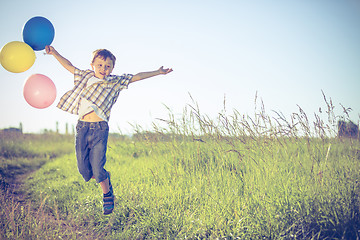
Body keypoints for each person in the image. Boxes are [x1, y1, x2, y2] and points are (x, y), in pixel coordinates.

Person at [45, 46, 173, 214]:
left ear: (112, 68)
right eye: (99, 65)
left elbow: (137, 77)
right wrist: (54, 53)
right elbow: (69, 66)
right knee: (84, 171)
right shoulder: (85, 77)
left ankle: (107, 194)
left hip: (100, 129)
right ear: (92, 65)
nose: (103, 70)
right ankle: (103, 176)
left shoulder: (114, 81)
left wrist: (157, 72)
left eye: (107, 67)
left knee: (98, 170)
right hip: (82, 128)